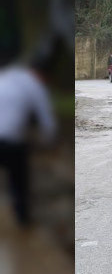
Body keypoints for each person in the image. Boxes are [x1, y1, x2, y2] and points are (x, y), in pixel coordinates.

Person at [0, 56, 57, 227]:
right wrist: (49, 142)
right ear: (42, 74)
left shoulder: (6, 75)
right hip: (12, 142)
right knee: (19, 179)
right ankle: (22, 219)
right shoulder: (35, 84)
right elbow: (47, 121)